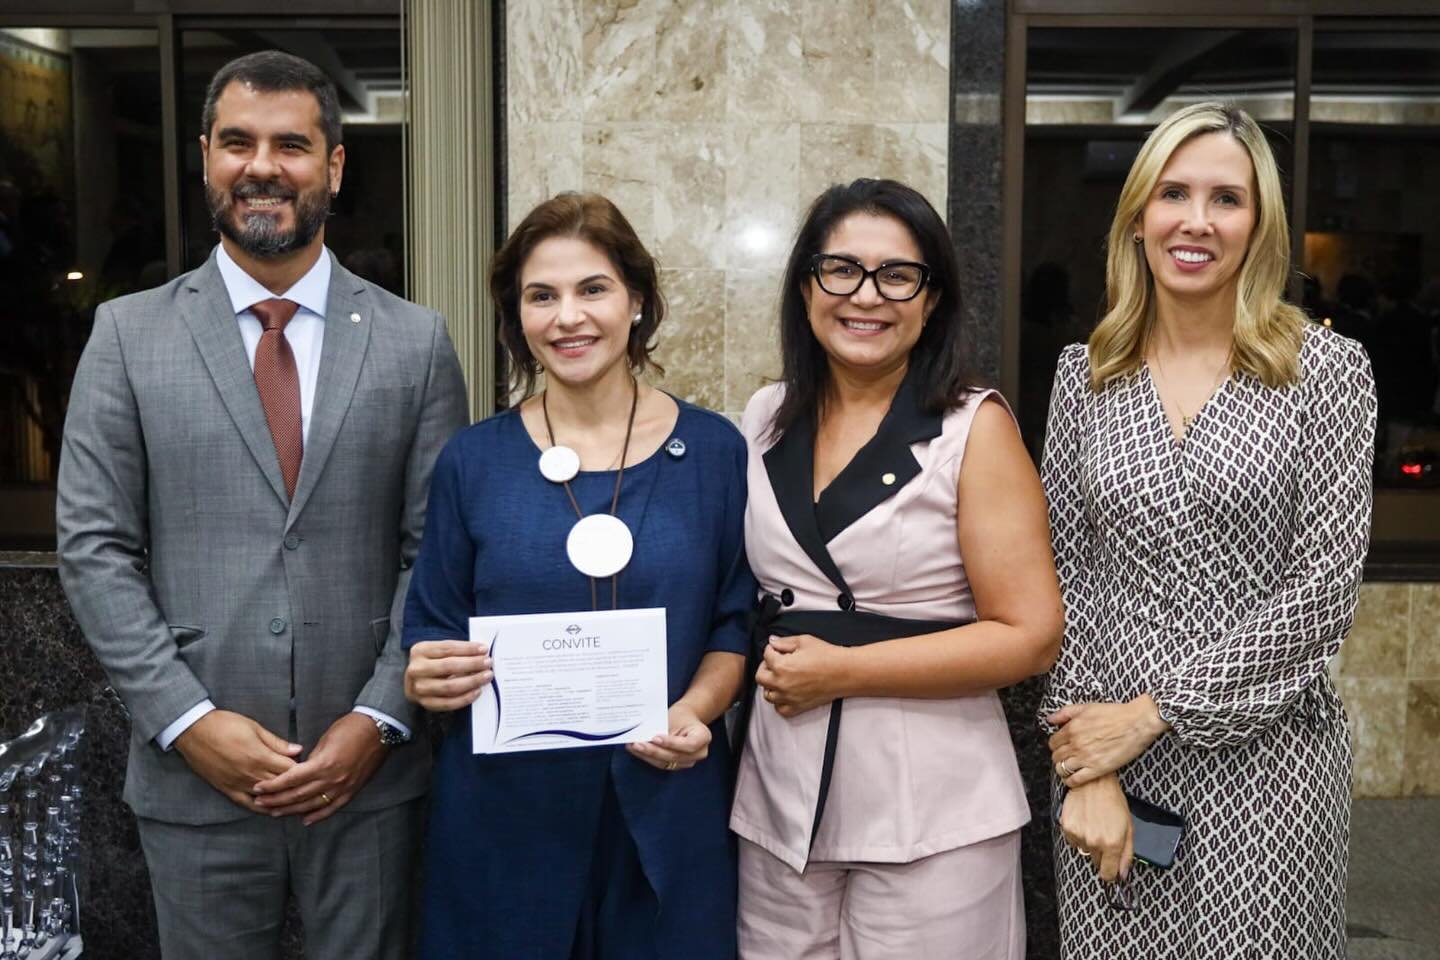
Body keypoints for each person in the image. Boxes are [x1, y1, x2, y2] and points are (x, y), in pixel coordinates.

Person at [55, 50, 467, 959]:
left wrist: (380, 716)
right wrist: (189, 723)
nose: (262, 166)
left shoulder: (416, 342)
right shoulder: (127, 335)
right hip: (193, 779)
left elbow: (436, 551)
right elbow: (93, 547)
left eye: (291, 144)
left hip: (369, 778)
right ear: (206, 157)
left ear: (334, 165)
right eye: (237, 142)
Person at [1041, 102, 1375, 960]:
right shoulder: (1084, 375)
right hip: (1110, 769)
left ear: (1258, 223)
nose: (1195, 221)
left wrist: (1154, 716)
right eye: (1173, 193)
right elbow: (1064, 577)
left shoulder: (1326, 371)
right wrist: (1088, 762)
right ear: (1138, 218)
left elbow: (1324, 589)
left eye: (1225, 198)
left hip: (1269, 767)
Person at [401, 192, 754, 959]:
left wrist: (697, 708)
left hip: (666, 804)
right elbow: (431, 624)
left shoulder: (718, 451)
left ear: (637, 301)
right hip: (505, 820)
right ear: (516, 317)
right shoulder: (474, 460)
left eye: (593, 288)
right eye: (541, 296)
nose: (568, 317)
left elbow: (734, 621)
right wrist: (427, 673)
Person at [729, 178, 1063, 959]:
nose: (865, 296)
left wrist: (843, 670)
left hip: (933, 806)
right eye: (840, 269)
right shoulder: (763, 417)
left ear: (933, 298)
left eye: (897, 275)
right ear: (806, 285)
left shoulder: (972, 427)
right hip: (781, 797)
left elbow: (1031, 635)